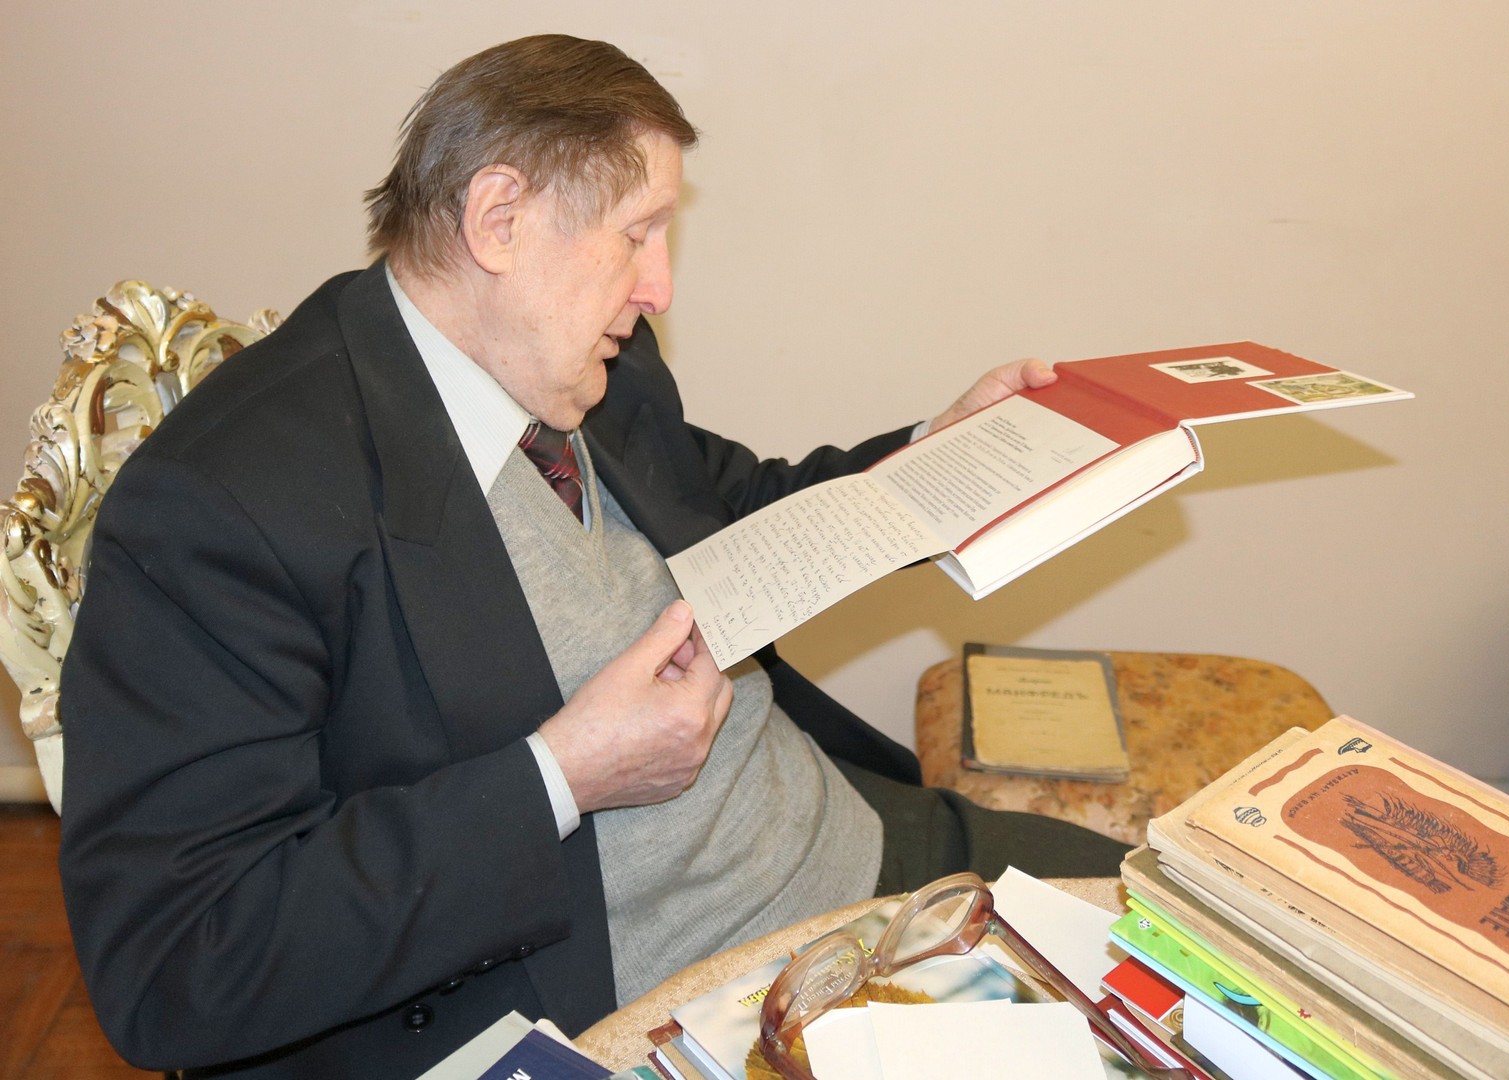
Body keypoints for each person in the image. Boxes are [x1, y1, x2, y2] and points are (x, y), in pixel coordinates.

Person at [57, 34, 1128, 1079]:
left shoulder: (578, 357)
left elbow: (732, 511)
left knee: (1177, 928)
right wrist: (564, 777)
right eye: (637, 233)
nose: (658, 287)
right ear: (500, 220)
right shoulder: (221, 506)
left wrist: (934, 463)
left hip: (862, 847)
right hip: (662, 1002)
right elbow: (176, 962)